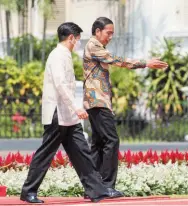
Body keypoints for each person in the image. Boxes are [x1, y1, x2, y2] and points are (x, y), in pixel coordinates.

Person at [20, 22, 119, 204]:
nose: (79, 44)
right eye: (78, 40)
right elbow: (60, 85)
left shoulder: (65, 55)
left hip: (69, 116)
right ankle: (29, 191)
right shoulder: (58, 55)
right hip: (57, 113)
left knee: (82, 153)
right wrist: (76, 108)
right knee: (46, 153)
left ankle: (95, 191)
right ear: (71, 38)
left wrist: (73, 110)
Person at [83, 17, 168, 197]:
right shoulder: (93, 46)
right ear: (98, 31)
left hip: (96, 101)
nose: (110, 37)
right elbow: (116, 60)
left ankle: (93, 188)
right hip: (98, 101)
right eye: (108, 33)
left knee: (98, 144)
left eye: (112, 33)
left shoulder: (96, 46)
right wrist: (145, 63)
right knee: (111, 141)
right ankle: (105, 186)